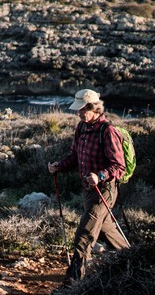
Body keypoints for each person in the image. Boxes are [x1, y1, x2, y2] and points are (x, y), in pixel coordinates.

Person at [46, 88, 130, 283]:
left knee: (84, 235)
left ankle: (73, 282)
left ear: (94, 108)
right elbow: (75, 156)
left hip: (104, 191)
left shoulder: (107, 131)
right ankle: (133, 259)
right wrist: (59, 166)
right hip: (88, 190)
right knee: (106, 229)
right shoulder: (82, 128)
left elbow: (119, 166)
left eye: (82, 109)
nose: (78, 113)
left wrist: (100, 176)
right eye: (78, 109)